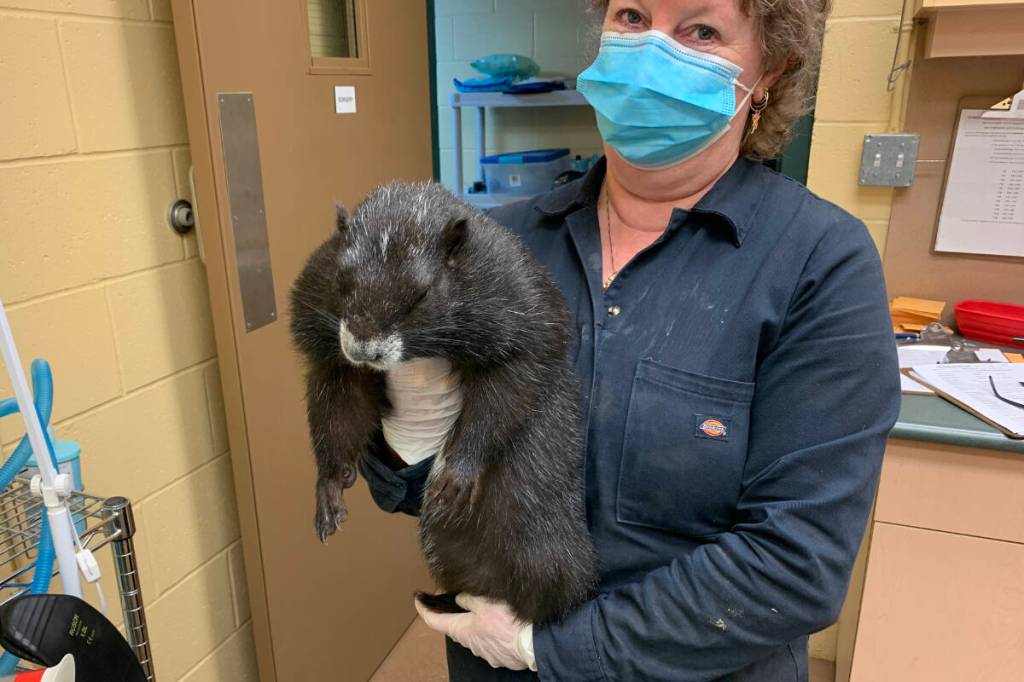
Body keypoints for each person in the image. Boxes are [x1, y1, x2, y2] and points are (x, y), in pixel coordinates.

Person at [358, 0, 901, 679]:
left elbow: (797, 560)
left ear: (769, 73)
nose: (650, 53)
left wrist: (548, 649)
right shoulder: (497, 244)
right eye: (634, 16)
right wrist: (409, 420)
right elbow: (417, 491)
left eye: (701, 30)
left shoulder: (819, 264)